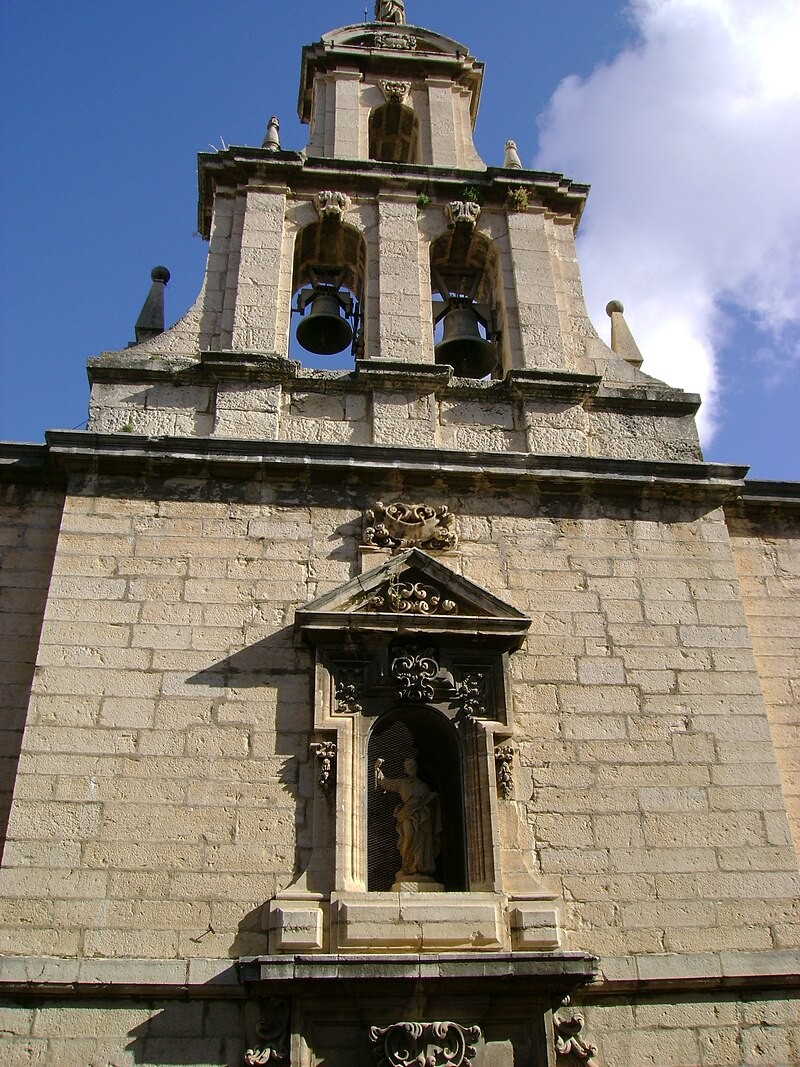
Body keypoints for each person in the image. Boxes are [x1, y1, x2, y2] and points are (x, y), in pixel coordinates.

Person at [375, 756, 442, 879]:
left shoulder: (424, 786)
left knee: (422, 841)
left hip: (423, 816)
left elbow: (429, 802)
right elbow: (385, 783)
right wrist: (377, 769)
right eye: (408, 766)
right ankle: (406, 865)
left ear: (416, 768)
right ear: (405, 770)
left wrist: (432, 799)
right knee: (409, 837)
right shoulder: (402, 783)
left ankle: (418, 866)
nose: (411, 768)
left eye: (412, 765)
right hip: (407, 814)